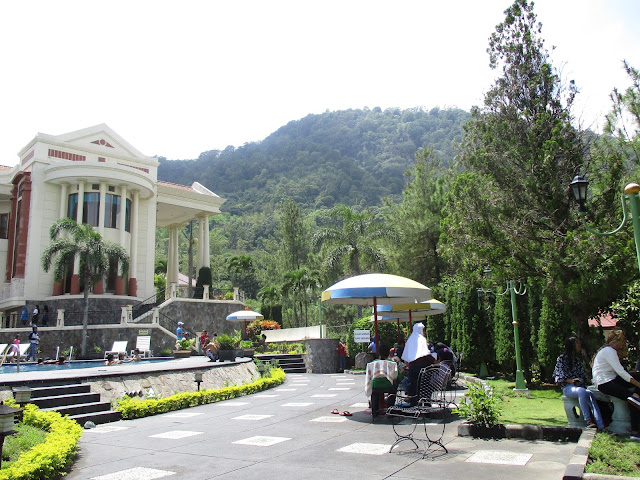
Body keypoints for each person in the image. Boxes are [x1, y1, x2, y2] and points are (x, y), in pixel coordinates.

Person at [592, 329, 640, 441]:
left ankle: (637, 396)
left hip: (610, 379)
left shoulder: (609, 350)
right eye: (623, 340)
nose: (624, 342)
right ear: (616, 340)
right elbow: (621, 372)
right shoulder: (609, 351)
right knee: (633, 401)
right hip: (605, 383)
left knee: (637, 379)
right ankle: (635, 432)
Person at [553, 337, 604, 430]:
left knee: (590, 394)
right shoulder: (562, 359)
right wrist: (570, 380)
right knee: (582, 391)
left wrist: (582, 380)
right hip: (568, 387)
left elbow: (583, 375)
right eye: (577, 344)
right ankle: (588, 420)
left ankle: (601, 425)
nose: (579, 346)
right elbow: (557, 377)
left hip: (579, 386)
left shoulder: (576, 360)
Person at [401, 323, 437, 404]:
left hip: (412, 369)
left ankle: (414, 406)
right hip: (423, 369)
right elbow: (425, 354)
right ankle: (426, 406)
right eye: (424, 330)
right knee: (425, 389)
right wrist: (434, 360)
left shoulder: (410, 339)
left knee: (413, 389)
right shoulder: (421, 339)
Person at [370, 344, 403, 415]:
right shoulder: (392, 363)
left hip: (375, 385)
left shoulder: (374, 362)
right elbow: (398, 376)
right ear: (388, 353)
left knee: (374, 394)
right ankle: (390, 409)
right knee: (393, 389)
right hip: (389, 385)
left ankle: (374, 411)